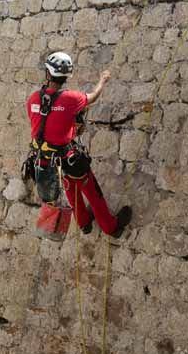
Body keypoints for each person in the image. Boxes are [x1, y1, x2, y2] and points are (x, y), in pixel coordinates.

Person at [26, 52, 132, 237]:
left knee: (69, 188)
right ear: (66, 76)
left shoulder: (33, 99)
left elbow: (43, 125)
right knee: (91, 191)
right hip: (68, 158)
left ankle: (83, 222)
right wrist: (103, 80)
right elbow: (93, 97)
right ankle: (111, 227)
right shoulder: (71, 99)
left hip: (43, 160)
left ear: (48, 74)